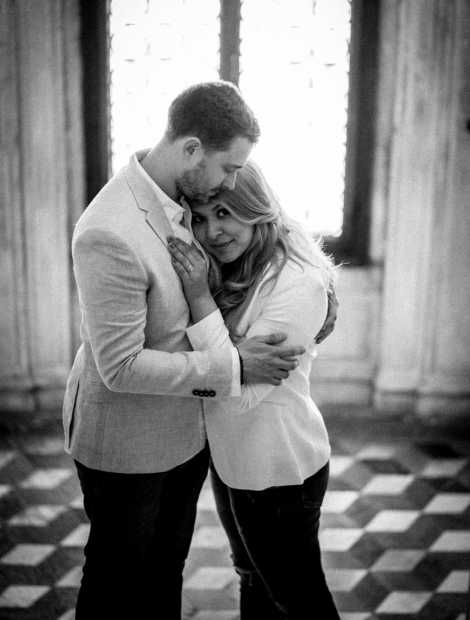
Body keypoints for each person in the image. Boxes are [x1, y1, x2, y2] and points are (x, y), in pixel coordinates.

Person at [62, 81, 338, 619]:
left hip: (192, 441)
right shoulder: (108, 229)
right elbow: (119, 366)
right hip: (129, 441)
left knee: (166, 575)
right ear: (191, 150)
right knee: (117, 585)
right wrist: (234, 366)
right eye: (229, 168)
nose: (232, 181)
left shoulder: (183, 200)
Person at [168, 159, 341, 619]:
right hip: (232, 463)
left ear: (254, 207)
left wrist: (199, 297)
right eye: (199, 218)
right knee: (252, 581)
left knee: (299, 602)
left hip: (278, 472)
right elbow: (229, 371)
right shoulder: (237, 262)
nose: (212, 232)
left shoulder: (298, 282)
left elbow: (241, 396)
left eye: (225, 212)